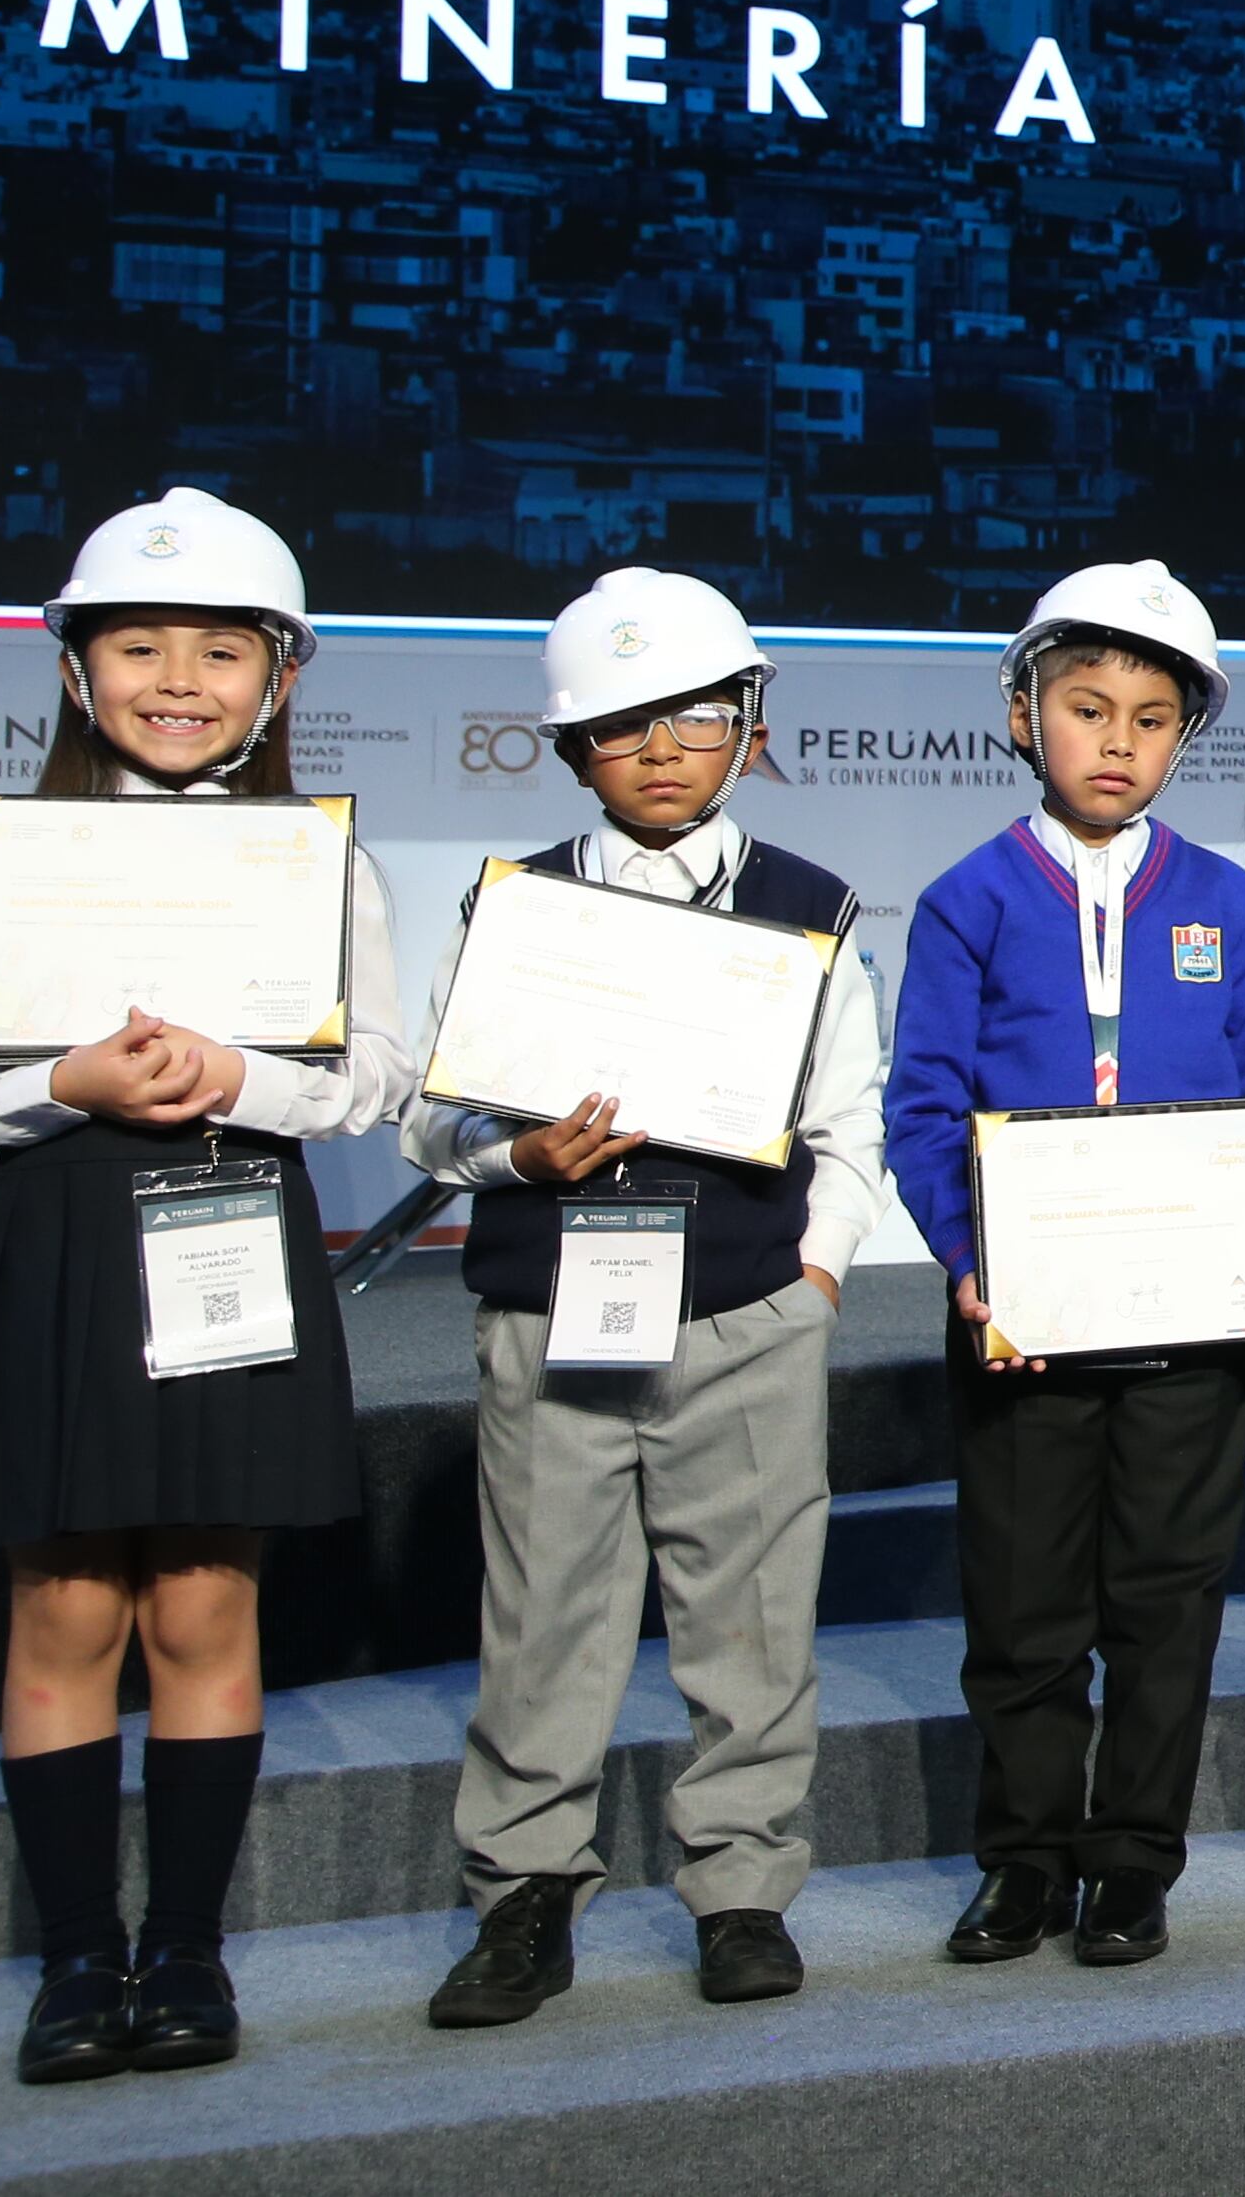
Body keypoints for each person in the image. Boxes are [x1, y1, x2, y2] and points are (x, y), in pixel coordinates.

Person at [0, 490, 416, 2083]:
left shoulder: (326, 867)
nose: (177, 680)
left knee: (202, 1598)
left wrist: (231, 1068)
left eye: (219, 651)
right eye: (138, 646)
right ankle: (72, 1962)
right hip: (55, 1238)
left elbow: (372, 1076)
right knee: (62, 1605)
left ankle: (185, 1951)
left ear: (280, 680)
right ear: (74, 665)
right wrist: (69, 1074)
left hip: (230, 1226)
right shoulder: (2, 856)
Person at [409, 569, 891, 2028]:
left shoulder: (811, 903)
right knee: (543, 1613)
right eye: (621, 728)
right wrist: (517, 1151)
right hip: (552, 1308)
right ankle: (524, 1894)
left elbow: (846, 1125)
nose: (664, 748)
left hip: (745, 1314)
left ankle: (741, 1887)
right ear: (570, 752)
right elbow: (430, 1128)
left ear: (750, 720)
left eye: (695, 714)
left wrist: (810, 1281)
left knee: (750, 1619)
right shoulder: (519, 905)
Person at [884, 563, 1245, 1973]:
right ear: (1024, 714)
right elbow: (923, 1105)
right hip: (1027, 1317)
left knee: (1166, 1601)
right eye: (1088, 708)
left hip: (1198, 1324)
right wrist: (967, 1256)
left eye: (1151, 716)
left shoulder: (1224, 899)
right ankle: (1021, 1861)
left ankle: (1132, 1862)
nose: (1119, 740)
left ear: (1184, 735)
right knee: (1023, 1609)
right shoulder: (968, 900)